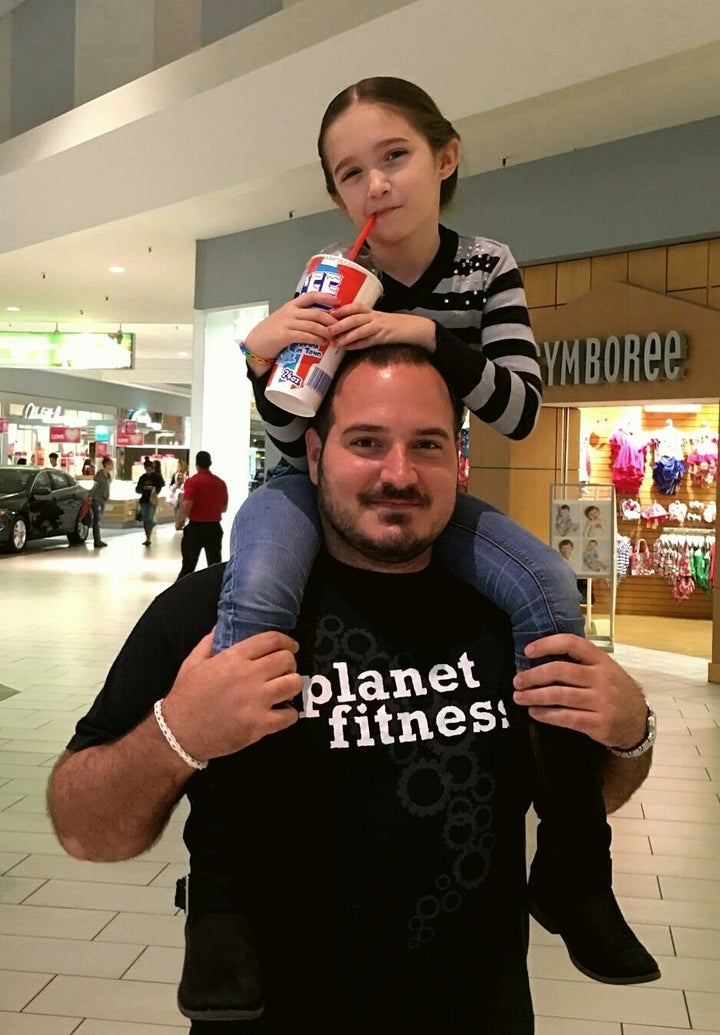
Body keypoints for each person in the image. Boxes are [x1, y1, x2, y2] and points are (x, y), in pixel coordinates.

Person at [47, 346, 656, 1034]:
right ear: (313, 453)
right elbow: (81, 827)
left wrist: (632, 734)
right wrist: (177, 732)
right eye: (366, 442)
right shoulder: (208, 615)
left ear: (457, 457)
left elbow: (568, 786)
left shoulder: (507, 617)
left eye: (425, 445)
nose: (398, 473)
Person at [209, 75, 658, 1000]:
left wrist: (420, 332)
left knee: (546, 592)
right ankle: (223, 899)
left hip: (435, 488)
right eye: (349, 173)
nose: (373, 185)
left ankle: (575, 865)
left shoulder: (484, 266)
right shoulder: (325, 276)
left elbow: (520, 408)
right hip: (311, 490)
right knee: (252, 600)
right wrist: (264, 362)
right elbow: (296, 436)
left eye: (394, 157)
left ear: (445, 159)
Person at [175, 450, 228, 580]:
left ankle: (180, 594)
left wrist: (179, 522)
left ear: (197, 464)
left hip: (195, 529)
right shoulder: (220, 483)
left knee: (188, 565)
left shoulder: (193, 482)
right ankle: (216, 594)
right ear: (210, 463)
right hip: (214, 528)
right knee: (214, 565)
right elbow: (224, 508)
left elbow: (187, 504)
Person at [135, 458, 165, 547]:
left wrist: (153, 489)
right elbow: (137, 489)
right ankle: (147, 537)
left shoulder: (156, 477)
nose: (148, 470)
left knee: (150, 518)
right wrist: (145, 488)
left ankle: (148, 537)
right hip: (144, 500)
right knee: (146, 519)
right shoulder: (143, 477)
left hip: (152, 500)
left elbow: (160, 486)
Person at [90, 457, 113, 549]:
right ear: (107, 465)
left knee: (99, 520)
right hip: (97, 499)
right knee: (97, 519)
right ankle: (97, 540)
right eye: (111, 464)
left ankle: (98, 539)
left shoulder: (109, 475)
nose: (112, 466)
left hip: (103, 500)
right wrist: (90, 496)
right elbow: (95, 486)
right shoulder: (100, 475)